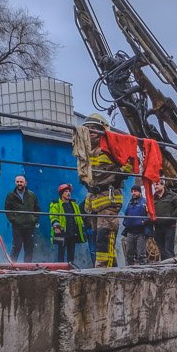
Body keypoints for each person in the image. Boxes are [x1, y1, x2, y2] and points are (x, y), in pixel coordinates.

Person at [73, 113, 125, 267]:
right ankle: (111, 268)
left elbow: (129, 162)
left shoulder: (111, 147)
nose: (90, 131)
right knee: (98, 237)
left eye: (94, 128)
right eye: (87, 128)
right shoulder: (86, 150)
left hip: (109, 199)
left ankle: (102, 270)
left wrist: (119, 175)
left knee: (104, 236)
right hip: (94, 201)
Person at [3, 175, 40, 263]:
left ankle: (27, 267)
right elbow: (7, 209)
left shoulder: (32, 195)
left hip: (30, 226)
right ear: (15, 183)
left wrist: (34, 219)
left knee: (29, 248)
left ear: (25, 183)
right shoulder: (10, 195)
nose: (19, 183)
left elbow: (37, 208)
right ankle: (12, 266)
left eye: (21, 182)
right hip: (17, 226)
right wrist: (14, 220)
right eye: (17, 182)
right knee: (17, 247)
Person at [49, 183, 87, 264]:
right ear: (61, 193)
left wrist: (81, 227)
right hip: (62, 232)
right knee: (61, 252)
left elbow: (78, 217)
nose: (68, 193)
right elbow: (53, 215)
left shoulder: (74, 204)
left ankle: (70, 268)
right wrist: (56, 225)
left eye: (69, 191)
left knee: (71, 253)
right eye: (66, 191)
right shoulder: (56, 204)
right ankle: (60, 268)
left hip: (72, 233)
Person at [150, 179, 177, 260]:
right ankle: (164, 265)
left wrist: (171, 217)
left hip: (169, 226)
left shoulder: (172, 195)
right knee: (161, 248)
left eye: (157, 184)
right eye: (154, 185)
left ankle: (171, 265)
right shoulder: (153, 198)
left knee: (168, 248)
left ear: (163, 185)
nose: (155, 187)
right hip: (158, 226)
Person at [120, 184, 151, 266]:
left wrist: (143, 222)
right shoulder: (130, 203)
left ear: (140, 192)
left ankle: (144, 271)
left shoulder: (144, 202)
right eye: (132, 191)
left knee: (141, 254)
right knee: (129, 254)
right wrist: (125, 223)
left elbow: (149, 215)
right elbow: (126, 214)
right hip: (130, 232)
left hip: (141, 232)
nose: (133, 193)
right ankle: (129, 270)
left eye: (135, 191)